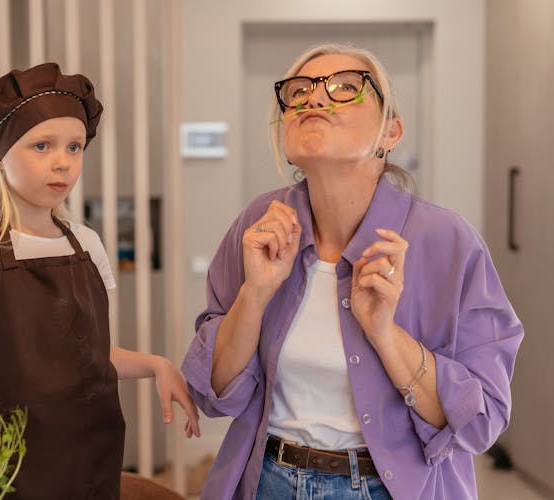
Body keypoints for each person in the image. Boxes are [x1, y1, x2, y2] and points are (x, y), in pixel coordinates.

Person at [182, 43, 523, 499]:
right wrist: (256, 294)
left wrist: (384, 333)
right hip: (266, 483)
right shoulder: (258, 223)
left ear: (391, 133)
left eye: (345, 88)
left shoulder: (449, 241)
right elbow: (216, 394)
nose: (314, 99)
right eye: (299, 91)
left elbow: (480, 421)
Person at [0, 62, 200, 499]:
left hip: (92, 460)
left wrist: (155, 364)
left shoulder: (86, 243)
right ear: (2, 157)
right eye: (42, 146)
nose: (62, 162)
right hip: (7, 470)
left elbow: (89, 356)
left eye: (74, 147)